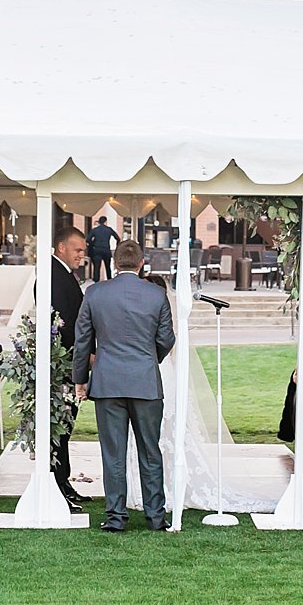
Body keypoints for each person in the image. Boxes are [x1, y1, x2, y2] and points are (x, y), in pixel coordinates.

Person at [72, 238, 176, 532]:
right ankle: (155, 516)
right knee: (150, 450)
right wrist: (147, 360)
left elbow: (83, 342)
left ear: (115, 264)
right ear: (142, 263)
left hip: (107, 383)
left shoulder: (94, 293)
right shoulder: (156, 295)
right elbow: (167, 339)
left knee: (113, 453)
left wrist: (80, 379)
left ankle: (116, 516)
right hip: (145, 382)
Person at [48, 226, 90, 512]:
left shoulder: (62, 274)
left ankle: (63, 483)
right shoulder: (54, 275)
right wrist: (82, 357)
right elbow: (63, 324)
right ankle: (58, 485)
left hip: (68, 361)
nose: (82, 256)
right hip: (63, 364)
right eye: (77, 250)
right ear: (61, 247)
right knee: (60, 428)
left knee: (64, 428)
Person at [86, 215, 118, 282]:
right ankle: (109, 281)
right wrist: (117, 246)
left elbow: (88, 239)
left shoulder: (95, 230)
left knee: (96, 267)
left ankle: (96, 282)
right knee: (108, 267)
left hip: (97, 250)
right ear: (106, 222)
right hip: (106, 250)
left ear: (99, 222)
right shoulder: (109, 229)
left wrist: (93, 244)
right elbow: (117, 238)